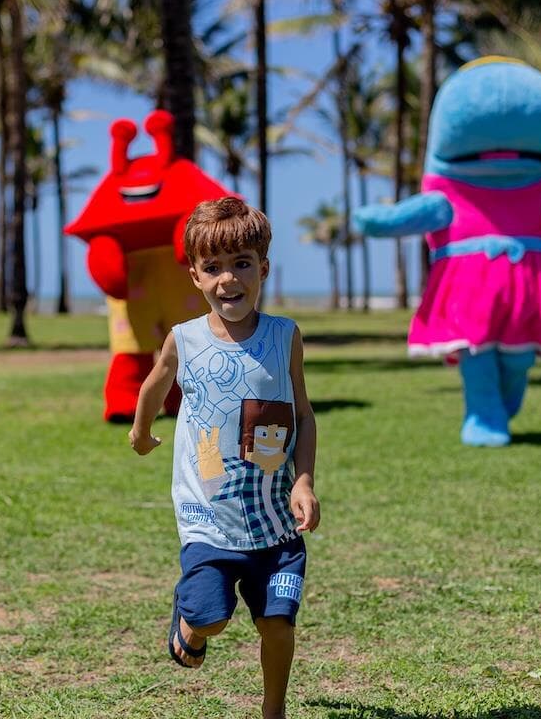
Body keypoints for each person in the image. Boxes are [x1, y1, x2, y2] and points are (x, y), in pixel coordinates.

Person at [128, 197, 320, 719]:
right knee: (211, 619)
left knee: (277, 623)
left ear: (263, 268)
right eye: (212, 267)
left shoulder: (285, 336)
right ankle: (190, 622)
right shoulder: (184, 340)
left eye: (241, 264)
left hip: (275, 521)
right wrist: (142, 432)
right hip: (208, 518)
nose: (227, 279)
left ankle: (273, 711)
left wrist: (303, 481)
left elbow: (303, 414)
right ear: (195, 276)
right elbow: (154, 384)